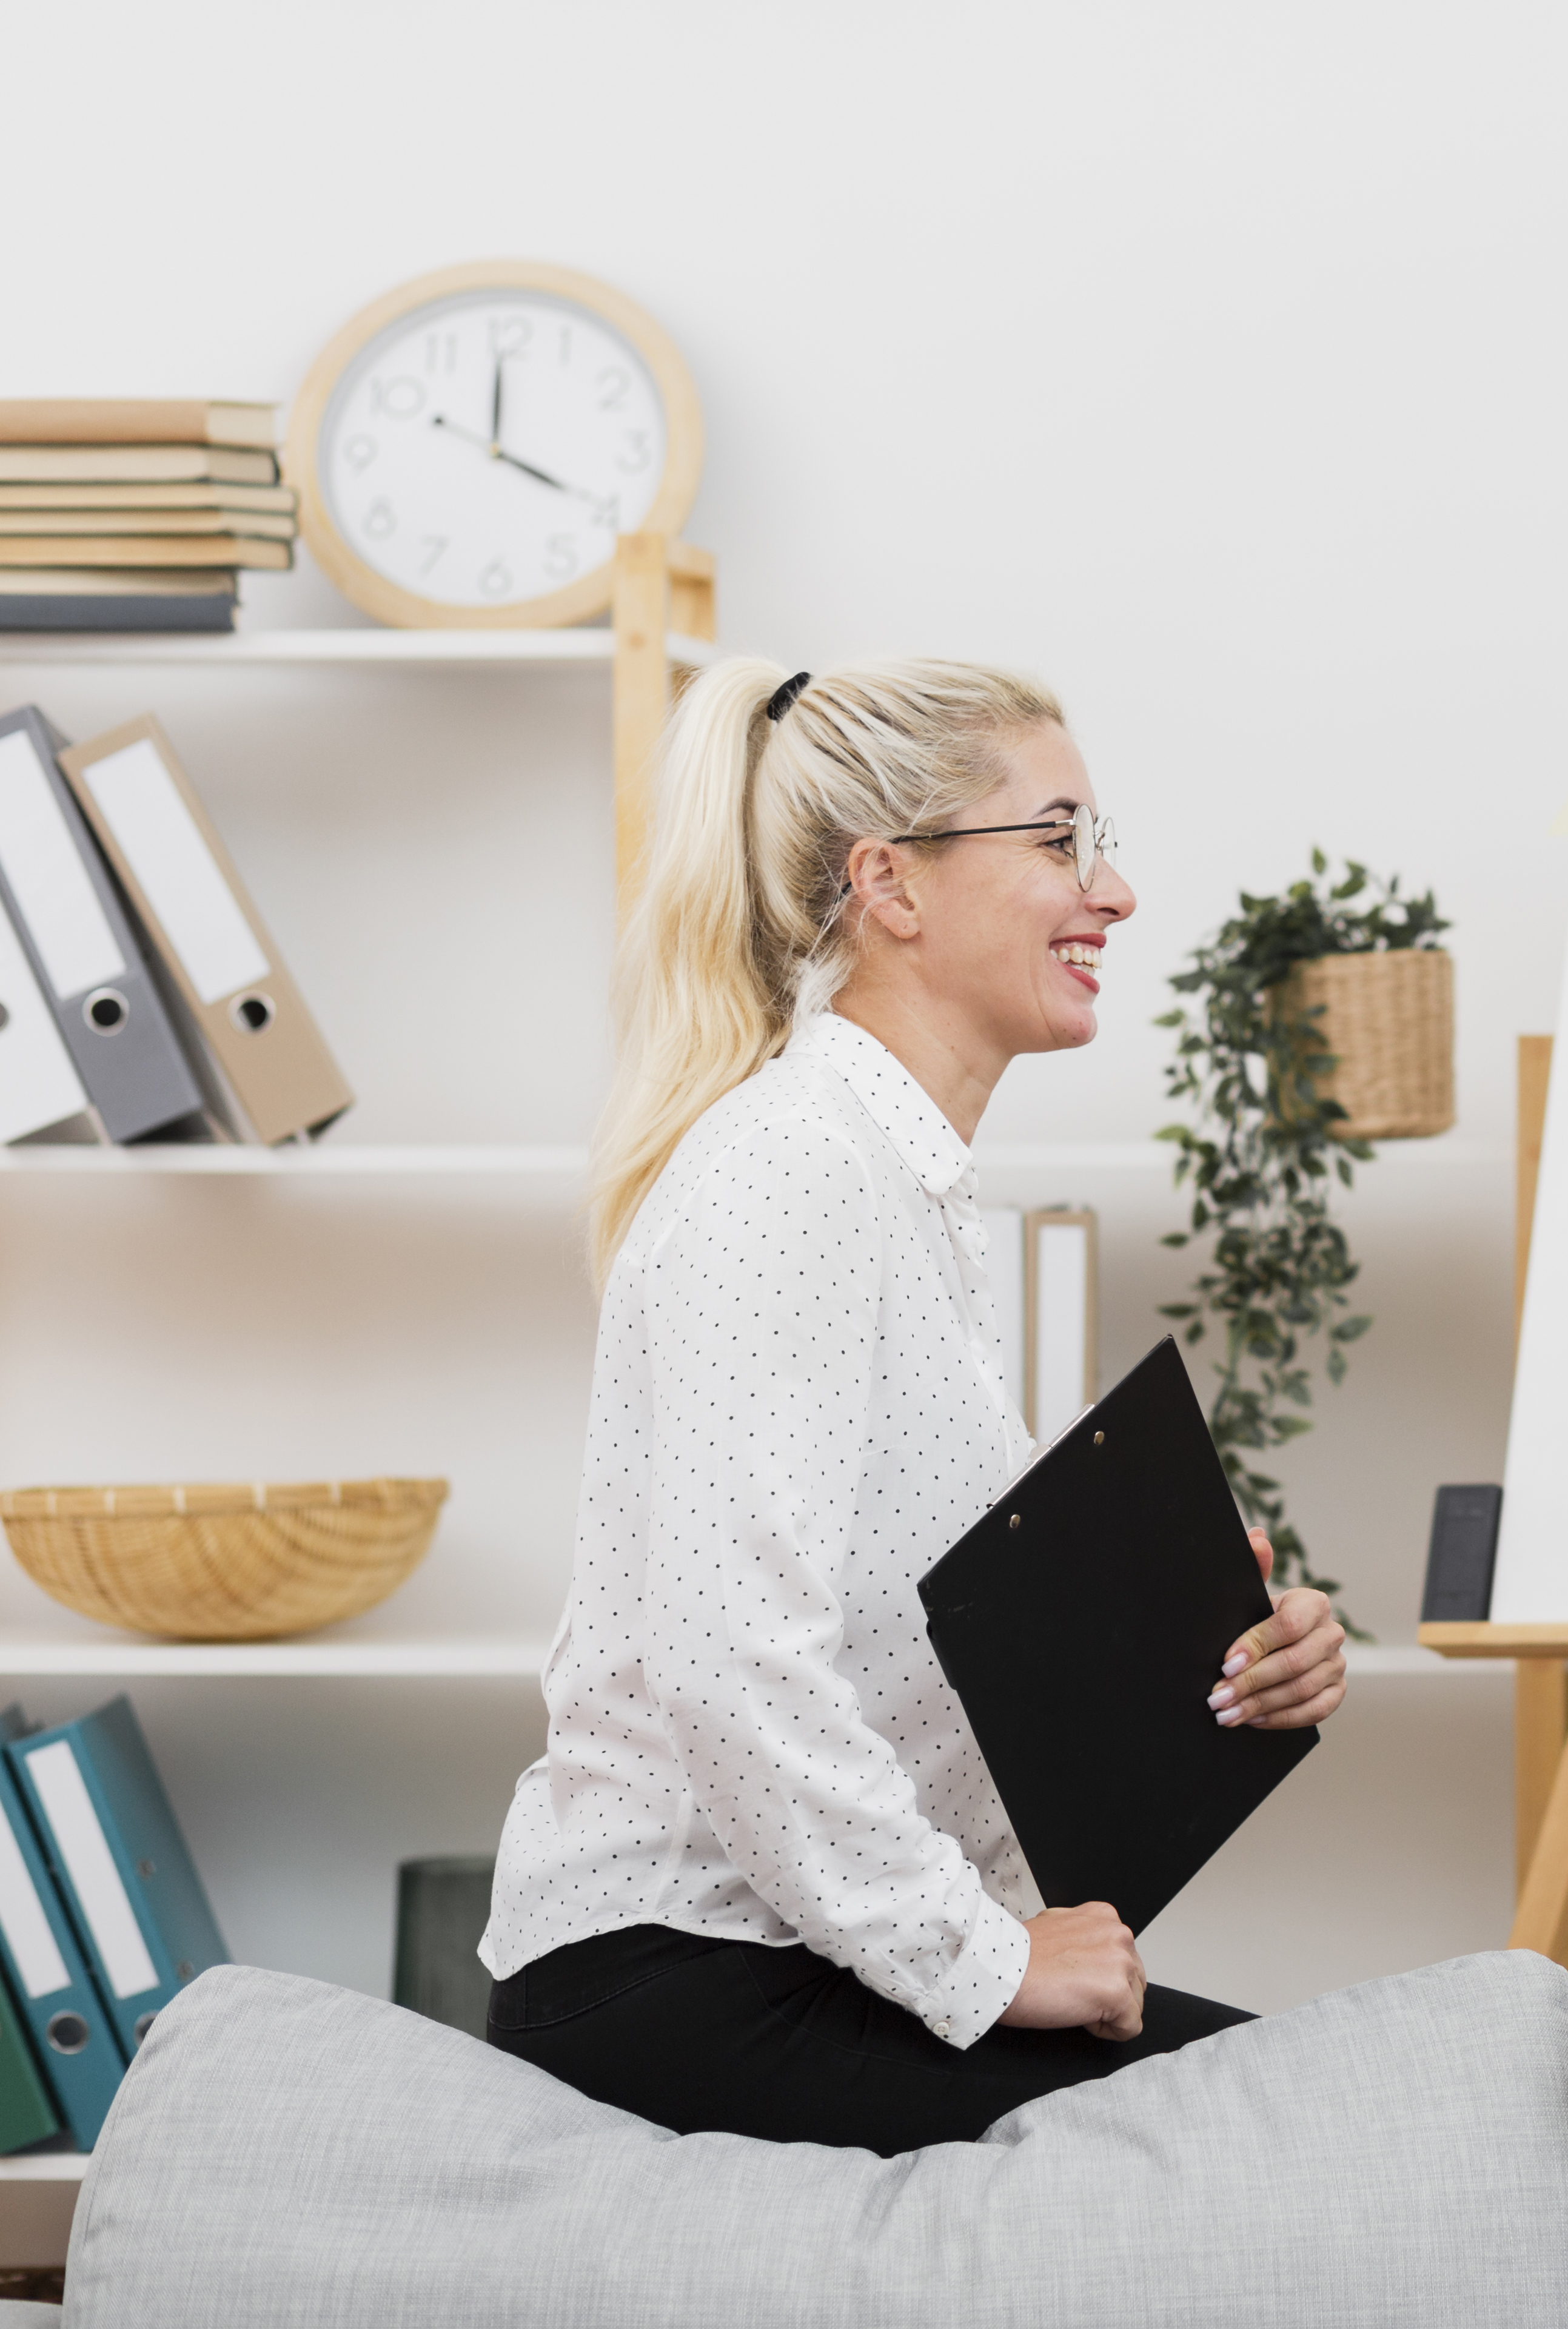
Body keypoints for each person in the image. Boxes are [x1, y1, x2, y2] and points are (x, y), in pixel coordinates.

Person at [480, 657, 1347, 2152]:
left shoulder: (905, 1197)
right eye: (1061, 838)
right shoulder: (790, 1170)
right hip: (678, 1976)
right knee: (1322, 2129)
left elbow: (901, 1646)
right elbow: (721, 1650)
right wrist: (987, 1958)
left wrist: (1208, 1653)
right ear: (891, 885)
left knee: (1344, 2111)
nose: (1117, 890)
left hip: (790, 1960)